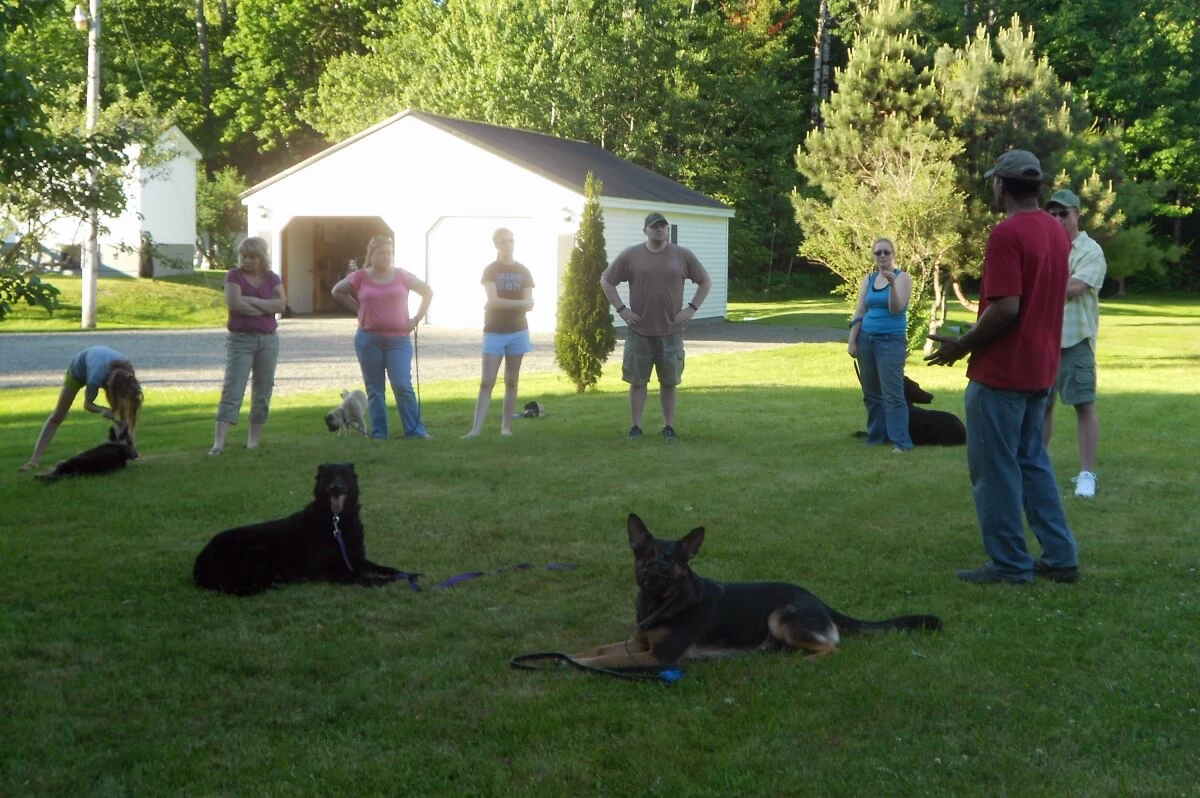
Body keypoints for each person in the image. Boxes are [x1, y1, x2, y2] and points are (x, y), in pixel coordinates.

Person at [925, 149, 1080, 585]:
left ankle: (1011, 564)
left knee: (995, 471)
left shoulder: (1007, 235)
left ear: (1002, 186)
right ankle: (1061, 555)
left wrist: (962, 345)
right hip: (1041, 370)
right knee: (1032, 461)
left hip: (1003, 373)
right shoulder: (1056, 231)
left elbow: (1006, 307)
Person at [601, 212, 712, 441]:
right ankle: (635, 427)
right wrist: (622, 309)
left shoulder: (682, 255)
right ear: (645, 231)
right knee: (637, 381)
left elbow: (705, 281)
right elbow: (606, 280)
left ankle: (668, 427)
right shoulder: (631, 255)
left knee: (669, 382)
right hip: (639, 331)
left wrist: (691, 308)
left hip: (671, 332)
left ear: (667, 230)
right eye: (654, 227)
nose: (659, 230)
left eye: (663, 226)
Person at [331, 235, 433, 439]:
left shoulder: (402, 276)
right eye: (381, 253)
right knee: (375, 389)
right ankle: (379, 433)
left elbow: (427, 292)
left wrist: (416, 319)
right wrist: (359, 309)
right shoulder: (360, 276)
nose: (386, 257)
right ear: (371, 255)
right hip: (369, 339)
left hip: (399, 340)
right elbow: (337, 291)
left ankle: (415, 431)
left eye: (389, 253)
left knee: (402, 384)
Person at [1042, 189, 1107, 498]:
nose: (1057, 219)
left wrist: (1039, 286)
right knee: (1041, 406)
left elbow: (1077, 287)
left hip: (1075, 340)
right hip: (1042, 340)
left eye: (1063, 214)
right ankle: (1035, 466)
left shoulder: (1090, 250)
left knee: (1083, 405)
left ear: (1077, 214)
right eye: (1051, 214)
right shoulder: (1043, 247)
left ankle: (1086, 474)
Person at [209, 237, 286, 455]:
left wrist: (252, 302)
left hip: (268, 339)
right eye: (244, 257)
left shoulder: (272, 278)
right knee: (233, 388)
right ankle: (219, 443)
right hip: (241, 339)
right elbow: (234, 303)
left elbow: (281, 304)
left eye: (252, 257)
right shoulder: (234, 276)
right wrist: (265, 308)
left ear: (262, 258)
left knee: (263, 390)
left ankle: (253, 440)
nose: (247, 261)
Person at [20, 345, 143, 471]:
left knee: (123, 417)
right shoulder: (96, 376)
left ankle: (131, 452)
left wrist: (123, 416)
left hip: (110, 376)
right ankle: (34, 460)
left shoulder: (128, 375)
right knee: (57, 416)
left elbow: (131, 407)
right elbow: (88, 404)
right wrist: (103, 410)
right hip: (78, 371)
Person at [463, 228, 535, 438]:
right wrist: (520, 303)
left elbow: (528, 305)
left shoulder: (524, 271)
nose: (508, 245)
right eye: (503, 242)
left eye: (510, 241)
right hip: (494, 331)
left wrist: (509, 304)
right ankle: (475, 429)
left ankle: (506, 427)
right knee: (487, 381)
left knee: (512, 380)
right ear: (496, 245)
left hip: (518, 331)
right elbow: (494, 300)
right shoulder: (490, 270)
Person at [847, 237, 914, 453]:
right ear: (874, 255)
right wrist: (852, 341)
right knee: (871, 393)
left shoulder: (903, 278)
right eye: (878, 253)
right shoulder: (868, 279)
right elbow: (859, 312)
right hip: (866, 339)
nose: (882, 256)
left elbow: (896, 309)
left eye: (886, 252)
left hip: (891, 341)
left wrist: (893, 286)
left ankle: (901, 442)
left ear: (894, 253)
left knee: (892, 394)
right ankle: (876, 436)